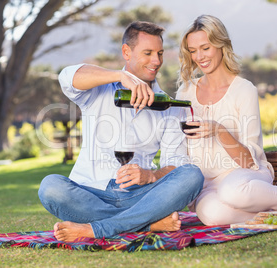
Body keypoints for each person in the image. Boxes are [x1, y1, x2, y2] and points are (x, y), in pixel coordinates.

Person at [38, 21, 204, 242]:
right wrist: (120, 76)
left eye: (160, 53)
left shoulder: (168, 106)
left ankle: (98, 228)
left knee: (192, 174)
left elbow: (175, 162)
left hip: (140, 196)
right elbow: (67, 77)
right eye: (148, 53)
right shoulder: (99, 90)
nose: (156, 61)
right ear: (126, 52)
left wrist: (151, 175)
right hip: (90, 192)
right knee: (50, 186)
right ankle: (146, 225)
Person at [176, 15, 277, 225]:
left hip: (245, 177)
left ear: (221, 45)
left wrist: (219, 131)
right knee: (211, 215)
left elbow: (249, 161)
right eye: (193, 51)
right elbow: (180, 147)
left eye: (205, 48)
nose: (199, 57)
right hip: (206, 184)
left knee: (232, 191)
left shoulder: (244, 90)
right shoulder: (185, 92)